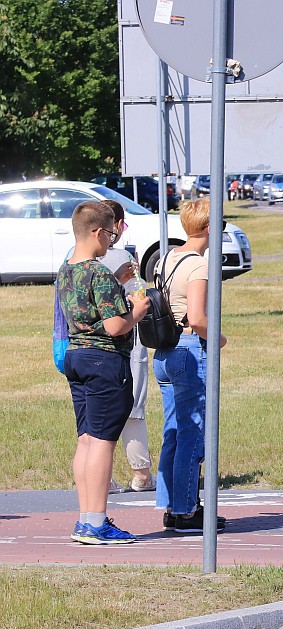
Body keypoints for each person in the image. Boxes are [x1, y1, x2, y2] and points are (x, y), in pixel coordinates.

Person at [57, 201, 149, 544]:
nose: (111, 240)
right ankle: (96, 522)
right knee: (102, 443)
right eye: (110, 233)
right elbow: (114, 326)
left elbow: (83, 307)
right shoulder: (98, 273)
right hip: (104, 361)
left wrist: (118, 285)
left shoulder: (67, 268)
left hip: (77, 356)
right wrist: (137, 310)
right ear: (97, 232)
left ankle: (85, 518)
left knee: (86, 440)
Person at [153, 198, 227, 535]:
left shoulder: (168, 257)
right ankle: (186, 511)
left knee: (173, 431)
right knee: (193, 435)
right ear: (209, 228)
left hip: (165, 354)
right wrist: (219, 337)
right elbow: (196, 318)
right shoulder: (199, 265)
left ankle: (171, 506)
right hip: (187, 350)